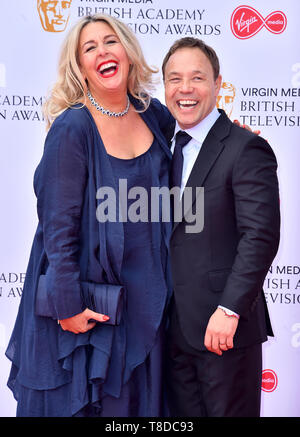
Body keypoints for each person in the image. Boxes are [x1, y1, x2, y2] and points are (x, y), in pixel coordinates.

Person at [5, 13, 174, 417]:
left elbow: (194, 151)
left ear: (128, 53)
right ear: (80, 68)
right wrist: (67, 306)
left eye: (110, 41)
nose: (103, 52)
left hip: (143, 304)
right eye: (90, 47)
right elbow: (57, 230)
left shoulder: (154, 115)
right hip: (88, 311)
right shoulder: (72, 128)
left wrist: (235, 139)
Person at [162, 37, 280, 417]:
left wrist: (229, 310)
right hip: (172, 332)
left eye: (197, 78)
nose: (185, 89)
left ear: (217, 84)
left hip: (223, 332)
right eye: (174, 78)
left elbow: (259, 235)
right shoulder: (161, 148)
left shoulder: (245, 148)